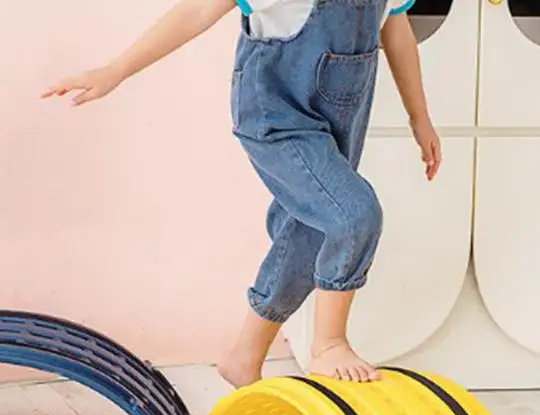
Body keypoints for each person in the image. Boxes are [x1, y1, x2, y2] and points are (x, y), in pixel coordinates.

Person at [43, 0, 440, 386]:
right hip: (274, 119)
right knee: (355, 215)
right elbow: (196, 10)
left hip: (339, 122)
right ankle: (329, 343)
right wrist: (116, 71)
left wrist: (420, 118)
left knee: (309, 233)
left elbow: (396, 32)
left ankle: (244, 357)